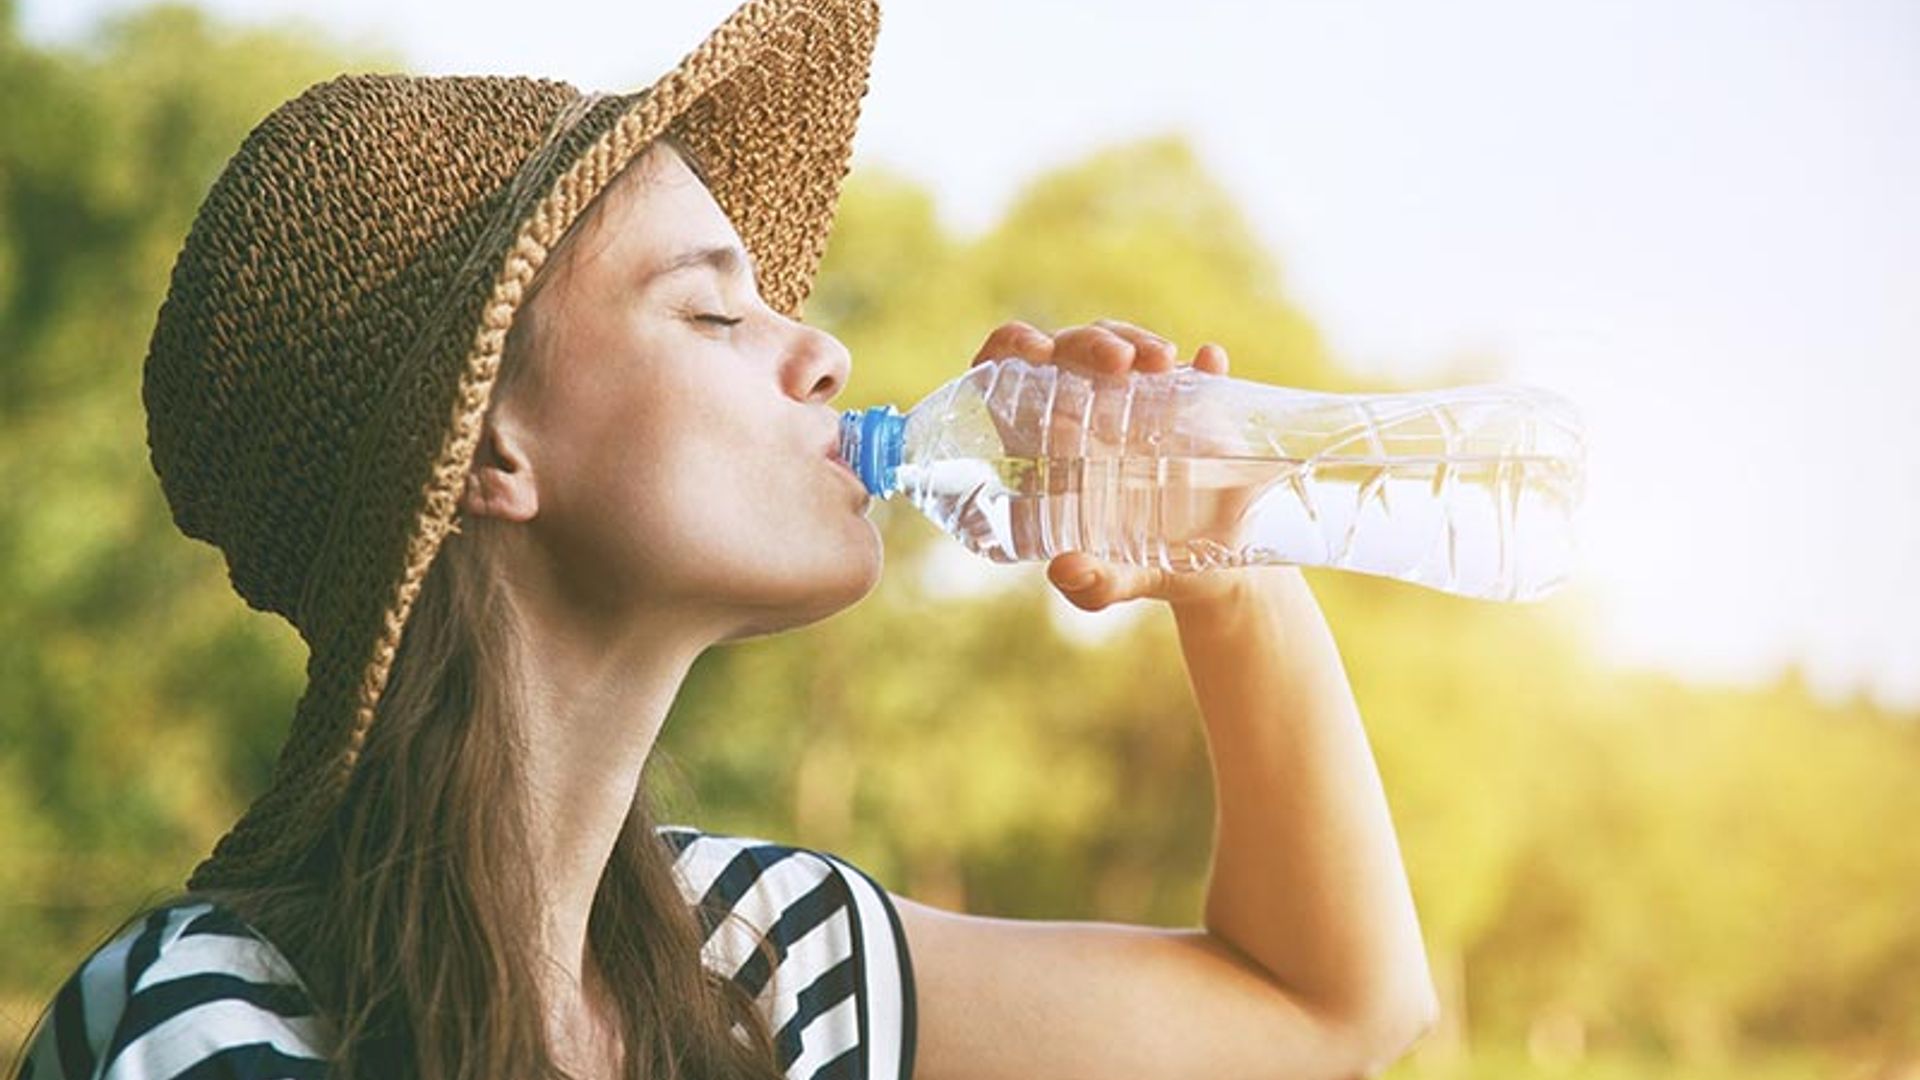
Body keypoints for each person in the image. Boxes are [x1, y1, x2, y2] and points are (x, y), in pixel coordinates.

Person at [10, 0, 1438, 1077]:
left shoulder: (761, 960)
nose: (822, 351)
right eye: (712, 311)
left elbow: (1328, 1007)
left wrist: (1229, 579)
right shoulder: (204, 1028)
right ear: (490, 446)